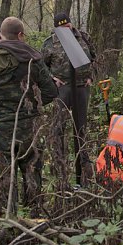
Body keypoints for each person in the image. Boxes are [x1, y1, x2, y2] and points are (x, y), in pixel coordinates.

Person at [0, 17, 58, 213]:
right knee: (32, 172)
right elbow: (50, 92)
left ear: (1, 36)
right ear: (20, 35)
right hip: (30, 125)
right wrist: (34, 107)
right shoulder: (33, 59)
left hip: (0, 127)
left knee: (5, 175)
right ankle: (35, 218)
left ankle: (9, 218)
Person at [41, 12, 96, 185]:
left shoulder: (84, 38)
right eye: (62, 27)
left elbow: (94, 58)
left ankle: (83, 162)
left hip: (81, 87)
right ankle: (59, 162)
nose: (67, 29)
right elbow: (41, 67)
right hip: (62, 88)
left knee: (81, 126)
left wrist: (91, 76)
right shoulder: (50, 43)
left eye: (68, 25)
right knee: (59, 126)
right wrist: (52, 79)